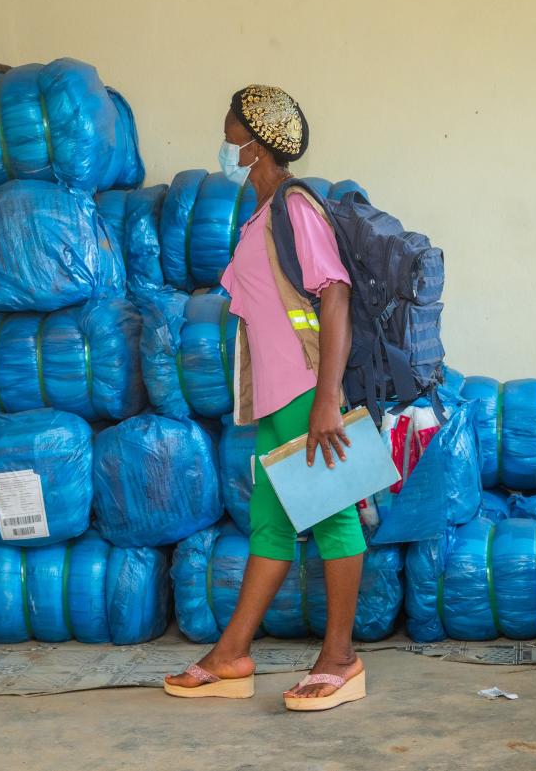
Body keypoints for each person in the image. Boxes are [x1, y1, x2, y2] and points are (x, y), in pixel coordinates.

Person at [164, 85, 367, 712]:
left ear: (255, 145)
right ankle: (232, 655)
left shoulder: (295, 207)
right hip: (275, 398)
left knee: (332, 516)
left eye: (229, 132)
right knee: (271, 525)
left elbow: (335, 294)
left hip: (309, 391)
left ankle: (341, 659)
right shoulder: (258, 216)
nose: (223, 144)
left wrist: (329, 397)